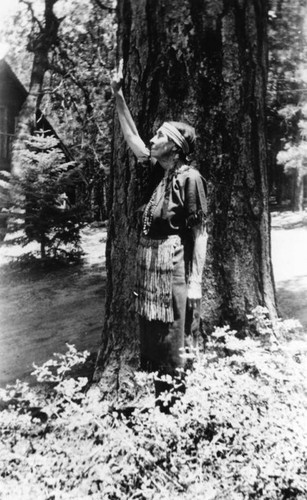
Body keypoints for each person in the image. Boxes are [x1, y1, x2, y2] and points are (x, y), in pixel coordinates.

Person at [111, 61, 208, 406]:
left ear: (175, 147)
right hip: (150, 270)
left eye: (160, 136)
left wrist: (195, 282)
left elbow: (200, 231)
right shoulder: (157, 172)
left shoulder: (190, 179)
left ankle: (176, 405)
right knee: (152, 334)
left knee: (173, 337)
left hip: (173, 271)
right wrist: (118, 95)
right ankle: (159, 403)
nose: (153, 140)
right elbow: (132, 138)